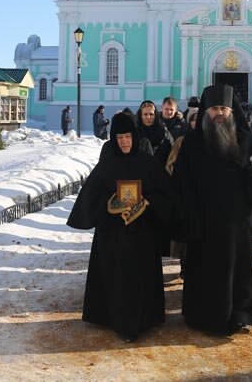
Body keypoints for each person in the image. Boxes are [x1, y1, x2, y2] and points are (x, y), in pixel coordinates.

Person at [171, 84, 252, 335]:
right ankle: (204, 316)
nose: (220, 113)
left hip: (238, 220)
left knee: (239, 271)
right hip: (204, 221)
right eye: (215, 108)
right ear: (206, 111)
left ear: (231, 111)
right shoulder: (193, 144)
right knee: (207, 271)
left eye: (224, 109)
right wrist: (188, 214)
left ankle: (240, 315)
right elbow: (181, 182)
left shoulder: (246, 139)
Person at [66, 112, 177, 343]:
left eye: (127, 136)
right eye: (119, 137)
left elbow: (165, 194)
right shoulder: (106, 165)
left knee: (140, 279)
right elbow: (91, 197)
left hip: (142, 237)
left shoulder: (148, 163)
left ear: (134, 136)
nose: (124, 141)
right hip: (113, 236)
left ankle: (144, 318)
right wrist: (110, 204)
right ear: (114, 139)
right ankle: (115, 319)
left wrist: (147, 202)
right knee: (116, 280)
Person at [164, 106, 199, 278]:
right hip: (186, 193)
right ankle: (185, 265)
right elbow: (170, 164)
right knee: (186, 233)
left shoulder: (211, 139)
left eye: (198, 118)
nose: (195, 122)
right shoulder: (181, 141)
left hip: (204, 195)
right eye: (193, 119)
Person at [137, 100, 175, 169]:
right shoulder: (135, 133)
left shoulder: (163, 131)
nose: (148, 117)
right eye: (145, 114)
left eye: (151, 114)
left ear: (156, 115)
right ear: (141, 116)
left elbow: (172, 152)